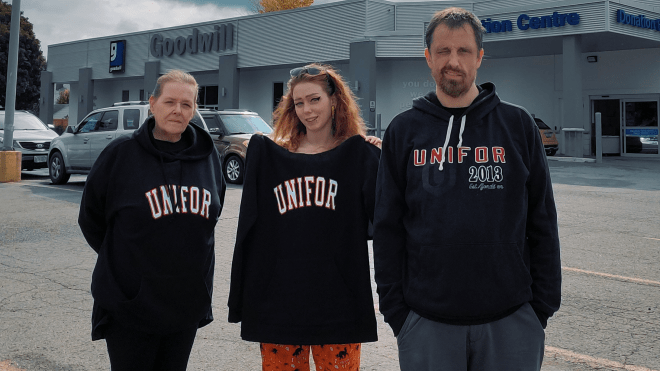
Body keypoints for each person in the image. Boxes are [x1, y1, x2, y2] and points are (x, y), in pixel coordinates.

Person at [373, 7, 561, 370]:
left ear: (480, 57)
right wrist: (397, 311)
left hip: (512, 321)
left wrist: (540, 309)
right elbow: (387, 227)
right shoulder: (403, 131)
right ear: (428, 57)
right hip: (425, 323)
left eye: (463, 51)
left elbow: (542, 220)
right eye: (443, 51)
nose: (453, 61)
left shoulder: (517, 125)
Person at [228, 63, 381, 371]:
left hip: (338, 304)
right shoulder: (272, 155)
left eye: (315, 100)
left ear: (334, 99)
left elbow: (382, 220)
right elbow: (248, 229)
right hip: (279, 304)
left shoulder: (357, 155)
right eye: (299, 103)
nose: (307, 110)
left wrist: (380, 158)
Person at [79, 69, 226, 371]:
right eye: (170, 101)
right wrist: (128, 266)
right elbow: (91, 219)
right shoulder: (121, 154)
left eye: (187, 104)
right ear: (152, 103)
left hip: (185, 303)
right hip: (131, 306)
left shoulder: (207, 155)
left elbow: (213, 211)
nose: (178, 110)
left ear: (195, 109)